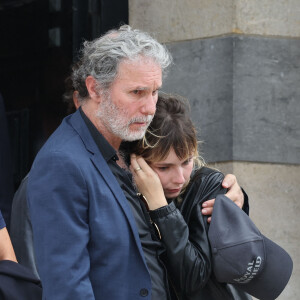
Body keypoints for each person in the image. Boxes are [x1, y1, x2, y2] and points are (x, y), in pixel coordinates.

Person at [27, 25, 245, 299]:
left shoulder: (128, 139)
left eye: (154, 91)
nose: (150, 107)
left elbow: (182, 174)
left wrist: (230, 194)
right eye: (136, 93)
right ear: (95, 89)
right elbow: (67, 287)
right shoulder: (63, 163)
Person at [129, 93, 251, 299]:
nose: (179, 178)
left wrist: (161, 208)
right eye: (164, 167)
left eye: (187, 161)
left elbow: (193, 277)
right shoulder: (128, 195)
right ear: (137, 164)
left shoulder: (206, 185)